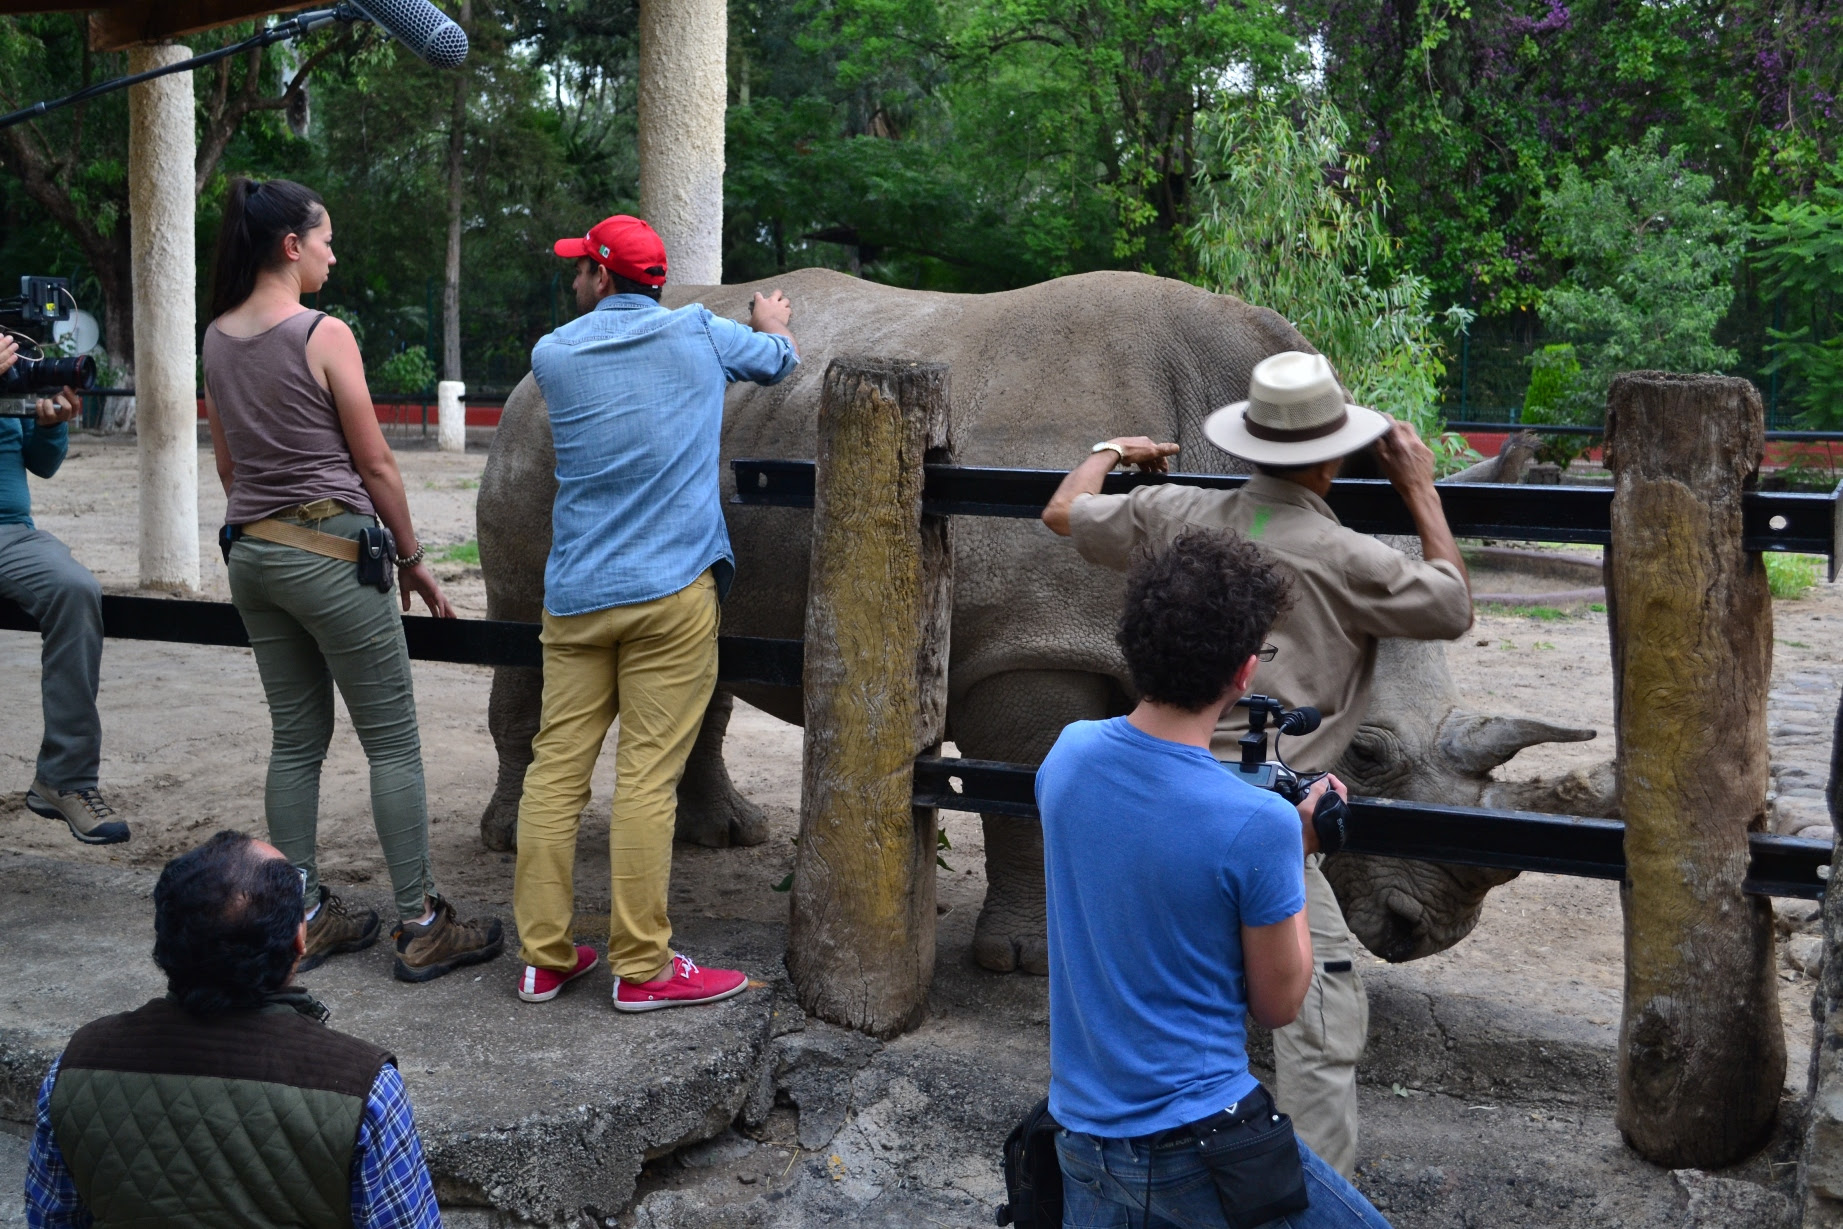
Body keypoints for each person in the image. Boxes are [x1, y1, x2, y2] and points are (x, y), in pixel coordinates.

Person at [1041, 349, 1474, 1177]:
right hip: (1257, 809)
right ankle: (1301, 1197)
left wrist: (1111, 450)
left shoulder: (1172, 511)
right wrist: (1418, 487)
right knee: (1316, 1014)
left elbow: (1064, 512)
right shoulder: (1351, 558)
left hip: (1147, 785)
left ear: (1246, 444)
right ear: (1334, 453)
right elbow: (1450, 602)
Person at [1037, 529, 1390, 1229]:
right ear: (1243, 673)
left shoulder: (1067, 756)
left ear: (1130, 643)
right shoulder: (1259, 826)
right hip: (1201, 1143)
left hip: (1081, 1135)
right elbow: (1279, 1002)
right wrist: (1294, 845)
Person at [202, 176, 502, 982]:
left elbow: (229, 464)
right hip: (333, 552)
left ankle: (298, 910)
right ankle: (422, 920)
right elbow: (374, 463)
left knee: (296, 739)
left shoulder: (217, 336)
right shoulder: (322, 333)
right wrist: (410, 557)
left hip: (253, 556)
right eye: (326, 239)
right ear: (291, 246)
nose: (333, 254)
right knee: (392, 741)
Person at [512, 214, 797, 1011]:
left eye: (581, 270)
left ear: (603, 279)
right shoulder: (699, 334)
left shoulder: (553, 354)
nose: (573, 280)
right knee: (646, 780)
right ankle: (641, 969)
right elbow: (778, 364)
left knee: (554, 774)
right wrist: (770, 325)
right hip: (671, 594)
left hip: (574, 598)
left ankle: (542, 958)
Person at [24, 829, 442, 1228]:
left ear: (165, 938)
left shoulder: (74, 1067)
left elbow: (52, 1217)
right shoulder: (366, 1089)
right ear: (299, 939)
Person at [0, 341, 126, 846]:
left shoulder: (12, 361)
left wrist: (51, 424)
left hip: (12, 532)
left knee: (76, 588)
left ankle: (64, 779)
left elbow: (41, 462)